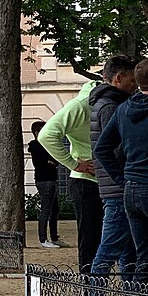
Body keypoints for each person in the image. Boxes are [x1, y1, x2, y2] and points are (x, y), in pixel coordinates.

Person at [95, 57, 148, 285]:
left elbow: (102, 149)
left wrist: (123, 178)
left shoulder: (124, 109)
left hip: (132, 191)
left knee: (144, 256)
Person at [38, 79, 101, 272]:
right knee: (90, 240)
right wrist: (75, 164)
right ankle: (90, 292)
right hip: (87, 181)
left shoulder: (97, 103)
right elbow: (46, 135)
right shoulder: (81, 105)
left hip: (98, 179)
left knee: (99, 239)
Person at [89, 55, 139, 279]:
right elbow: (114, 149)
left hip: (115, 188)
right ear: (119, 78)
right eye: (132, 81)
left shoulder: (104, 103)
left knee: (129, 254)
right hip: (118, 190)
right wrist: (123, 180)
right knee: (108, 252)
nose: (134, 86)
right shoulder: (111, 106)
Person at [28, 123, 62, 248]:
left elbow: (56, 160)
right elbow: (49, 160)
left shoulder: (45, 146)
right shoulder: (37, 147)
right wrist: (51, 161)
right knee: (46, 210)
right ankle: (43, 239)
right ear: (37, 133)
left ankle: (54, 237)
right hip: (45, 180)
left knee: (54, 209)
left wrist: (52, 161)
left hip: (50, 179)